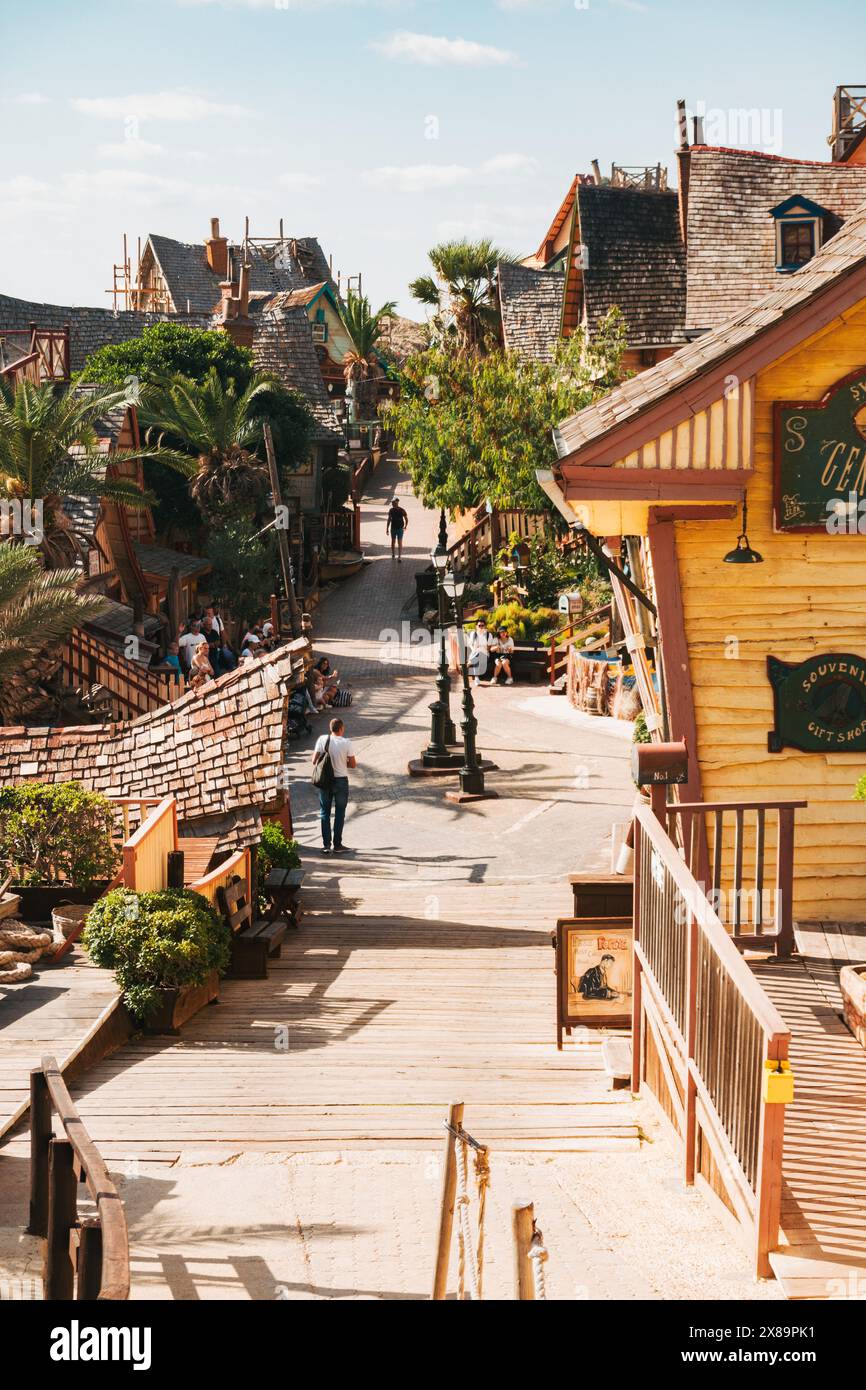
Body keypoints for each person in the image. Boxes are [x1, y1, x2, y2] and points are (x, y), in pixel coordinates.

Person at [312, 716, 356, 854]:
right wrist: (343, 762)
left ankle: (326, 845)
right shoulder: (347, 743)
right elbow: (353, 765)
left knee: (324, 812)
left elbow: (314, 760)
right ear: (341, 729)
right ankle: (337, 844)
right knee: (340, 813)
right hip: (341, 781)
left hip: (325, 781)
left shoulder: (322, 740)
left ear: (330, 729)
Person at [467, 618, 493, 688]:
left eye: (482, 625)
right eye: (479, 625)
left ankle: (469, 663)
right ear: (476, 626)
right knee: (477, 657)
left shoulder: (489, 635)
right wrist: (474, 650)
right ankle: (476, 678)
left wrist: (481, 648)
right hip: (474, 653)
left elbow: (488, 648)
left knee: (478, 655)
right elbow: (470, 644)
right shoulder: (473, 634)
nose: (481, 627)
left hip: (485, 654)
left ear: (485, 626)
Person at [386, 497, 409, 561]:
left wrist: (405, 526)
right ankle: (393, 554)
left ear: (397, 502)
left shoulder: (402, 510)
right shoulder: (391, 510)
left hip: (400, 529)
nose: (393, 504)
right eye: (392, 503)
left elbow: (406, 519)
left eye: (394, 503)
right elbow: (389, 519)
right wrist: (387, 528)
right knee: (393, 542)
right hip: (393, 528)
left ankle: (399, 556)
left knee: (399, 542)